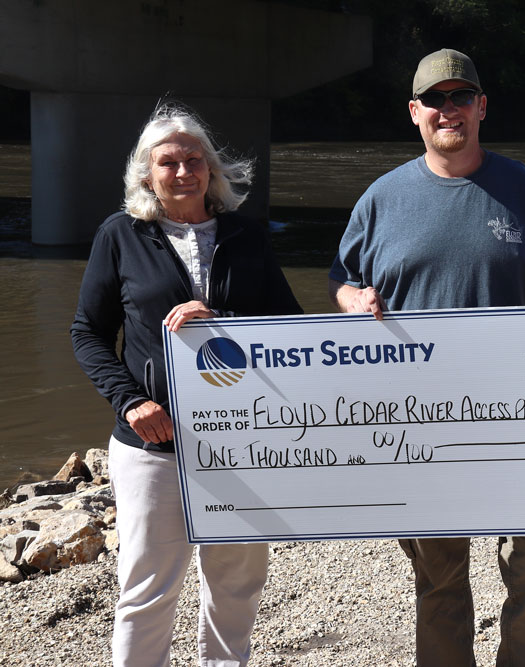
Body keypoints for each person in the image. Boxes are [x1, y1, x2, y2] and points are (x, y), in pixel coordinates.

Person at [329, 48, 525, 666]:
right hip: (419, 422)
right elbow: (343, 282)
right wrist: (354, 301)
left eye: (461, 97)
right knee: (437, 578)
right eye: (435, 99)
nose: (448, 109)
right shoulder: (380, 199)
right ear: (415, 113)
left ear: (482, 106)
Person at [71, 103, 302, 667]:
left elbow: (291, 329)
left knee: (236, 587)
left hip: (240, 441)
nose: (182, 171)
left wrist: (219, 316)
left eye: (193, 159)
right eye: (167, 162)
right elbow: (88, 333)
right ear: (146, 175)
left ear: (211, 170)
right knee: (148, 588)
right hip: (152, 447)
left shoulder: (247, 236)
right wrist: (130, 403)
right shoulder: (120, 235)